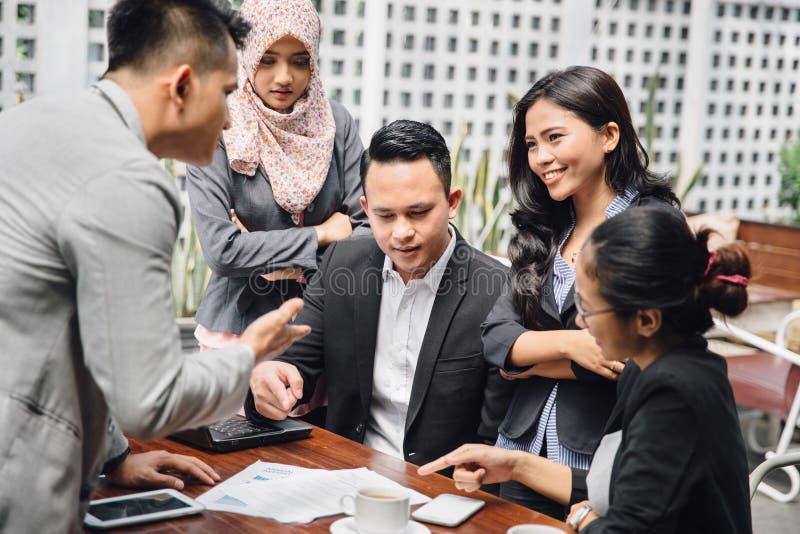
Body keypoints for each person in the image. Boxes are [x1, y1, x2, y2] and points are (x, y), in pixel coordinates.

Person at [0, 1, 310, 531]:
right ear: (183, 85)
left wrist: (116, 456)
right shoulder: (129, 183)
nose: (232, 117)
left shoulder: (26, 124)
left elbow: (58, 321)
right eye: (229, 92)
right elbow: (151, 401)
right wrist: (249, 355)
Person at [420, 207, 753, 534]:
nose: (580, 322)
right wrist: (513, 465)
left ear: (647, 320)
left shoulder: (675, 394)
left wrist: (585, 520)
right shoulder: (652, 369)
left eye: (589, 309)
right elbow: (616, 489)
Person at [246, 120, 513, 468]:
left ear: (451, 202)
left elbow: (497, 438)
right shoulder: (343, 264)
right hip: (346, 472)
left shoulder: (497, 290)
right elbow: (295, 367)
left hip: (442, 492)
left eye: (418, 213)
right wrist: (268, 380)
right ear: (366, 208)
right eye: (385, 215)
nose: (402, 232)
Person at [480, 66, 679, 518]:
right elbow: (494, 336)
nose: (540, 157)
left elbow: (629, 359)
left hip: (599, 464)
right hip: (517, 452)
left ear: (609, 135)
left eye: (555, 137)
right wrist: (571, 345)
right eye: (531, 144)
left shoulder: (652, 224)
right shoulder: (544, 229)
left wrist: (527, 362)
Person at [186, 0, 368, 352]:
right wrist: (321, 234)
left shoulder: (335, 123)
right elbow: (222, 252)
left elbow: (366, 233)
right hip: (237, 327)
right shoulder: (218, 124)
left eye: (300, 62)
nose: (284, 77)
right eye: (267, 60)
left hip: (325, 322)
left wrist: (268, 257)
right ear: (245, 55)